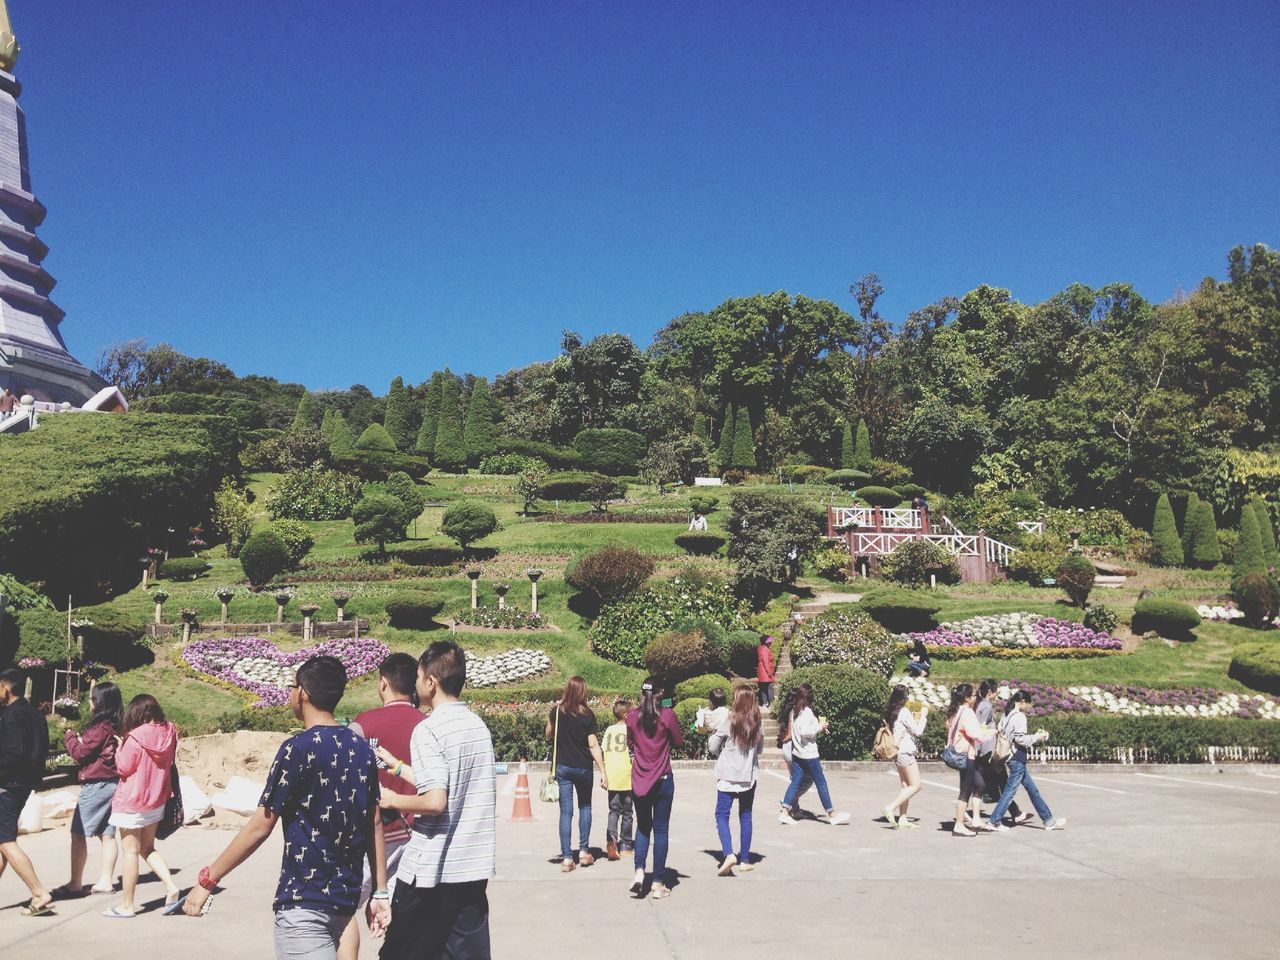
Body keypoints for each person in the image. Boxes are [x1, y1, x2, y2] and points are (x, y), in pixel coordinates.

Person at [183, 656, 389, 959]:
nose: (290, 694)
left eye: (291, 687)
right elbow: (374, 822)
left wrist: (208, 879)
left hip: (303, 904)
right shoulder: (362, 749)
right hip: (345, 904)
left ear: (303, 693)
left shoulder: (298, 749)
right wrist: (380, 892)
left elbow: (259, 826)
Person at [378, 641, 497, 960]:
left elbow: (435, 800)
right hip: (471, 869)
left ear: (430, 683)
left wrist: (391, 800)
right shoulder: (477, 726)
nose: (416, 685)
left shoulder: (428, 729)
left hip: (431, 871)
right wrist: (398, 767)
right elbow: (447, 785)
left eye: (418, 677)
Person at [339, 654, 425, 960]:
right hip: (418, 837)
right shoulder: (428, 726)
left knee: (343, 909)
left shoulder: (362, 725)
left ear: (383, 683)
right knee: (409, 918)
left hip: (374, 837)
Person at [105, 693, 180, 916]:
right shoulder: (170, 731)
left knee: (131, 851)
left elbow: (124, 768)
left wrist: (120, 748)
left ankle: (127, 905)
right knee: (148, 848)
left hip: (132, 802)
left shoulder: (135, 737)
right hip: (156, 800)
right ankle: (171, 886)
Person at [56, 682, 123, 898]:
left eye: (92, 698)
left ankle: (75, 883)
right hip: (113, 782)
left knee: (78, 833)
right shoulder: (116, 725)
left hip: (97, 784)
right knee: (108, 835)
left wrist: (70, 736)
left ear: (100, 702)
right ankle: (106, 881)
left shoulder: (101, 727)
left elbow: (81, 753)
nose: (89, 701)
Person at [0, 668, 52, 916]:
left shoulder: (11, 715)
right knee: (2, 840)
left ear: (4, 687)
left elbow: (13, 752)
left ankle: (39, 892)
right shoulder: (35, 713)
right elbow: (41, 747)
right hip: (24, 784)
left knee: (6, 841)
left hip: (8, 785)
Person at [626, 677, 684, 899]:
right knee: (661, 830)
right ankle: (658, 882)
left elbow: (630, 742)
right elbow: (679, 742)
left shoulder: (632, 715)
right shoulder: (667, 715)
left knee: (642, 827)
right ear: (661, 693)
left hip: (640, 779)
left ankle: (639, 871)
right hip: (662, 778)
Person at [544, 676, 606, 872]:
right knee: (585, 807)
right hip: (583, 768)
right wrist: (603, 770)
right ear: (583, 692)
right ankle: (584, 852)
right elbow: (593, 744)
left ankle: (567, 859)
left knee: (566, 812)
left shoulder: (557, 712)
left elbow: (548, 733)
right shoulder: (588, 715)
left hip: (563, 767)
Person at [986, 691, 1066, 833]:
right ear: (1022, 701)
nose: (1028, 706)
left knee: (1032, 790)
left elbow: (1001, 732)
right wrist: (1037, 737)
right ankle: (994, 821)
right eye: (1027, 703)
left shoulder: (1006, 715)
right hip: (1017, 757)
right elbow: (1020, 738)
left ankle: (1048, 820)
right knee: (1010, 792)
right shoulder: (1020, 717)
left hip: (1010, 757)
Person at [777, 683, 850, 826]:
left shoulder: (795, 711)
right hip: (809, 755)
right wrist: (819, 727)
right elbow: (806, 732)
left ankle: (785, 811)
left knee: (796, 782)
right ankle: (831, 814)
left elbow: (801, 729)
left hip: (797, 753)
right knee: (821, 783)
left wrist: (818, 727)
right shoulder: (807, 711)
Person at [707, 687, 763, 875]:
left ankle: (729, 853)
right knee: (745, 815)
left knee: (722, 814)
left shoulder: (730, 720)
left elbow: (714, 745)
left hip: (728, 774)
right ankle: (745, 860)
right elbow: (760, 748)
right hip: (748, 776)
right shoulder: (757, 721)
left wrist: (718, 750)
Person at [975, 679, 1028, 825]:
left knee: (999, 781)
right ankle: (1008, 814)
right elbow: (980, 727)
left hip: (984, 750)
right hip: (988, 750)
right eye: (995, 691)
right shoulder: (985, 706)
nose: (997, 694)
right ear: (989, 692)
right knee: (1002, 781)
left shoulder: (980, 704)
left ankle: (1015, 812)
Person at [945, 683, 991, 837]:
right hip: (966, 754)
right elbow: (975, 733)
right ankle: (959, 825)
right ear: (966, 698)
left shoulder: (955, 711)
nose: (974, 698)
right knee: (966, 790)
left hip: (958, 752)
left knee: (979, 784)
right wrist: (990, 733)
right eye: (972, 695)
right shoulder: (968, 713)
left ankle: (967, 818)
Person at [881, 684, 927, 829]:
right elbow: (918, 731)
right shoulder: (904, 711)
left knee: (905, 785)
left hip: (896, 752)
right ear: (904, 698)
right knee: (916, 785)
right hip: (905, 751)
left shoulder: (891, 711)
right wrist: (923, 716)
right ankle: (890, 807)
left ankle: (903, 818)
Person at [601, 700, 633, 862]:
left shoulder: (609, 730)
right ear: (626, 714)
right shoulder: (630, 730)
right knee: (627, 812)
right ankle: (626, 844)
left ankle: (611, 839)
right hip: (627, 776)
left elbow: (603, 751)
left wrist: (604, 773)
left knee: (614, 810)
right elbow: (634, 753)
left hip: (612, 776)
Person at [775, 686, 813, 818]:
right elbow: (790, 734)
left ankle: (795, 810)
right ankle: (788, 800)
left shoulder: (785, 711)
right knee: (807, 780)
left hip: (786, 749)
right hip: (793, 748)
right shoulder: (795, 712)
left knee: (795, 779)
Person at [756, 636, 777, 709]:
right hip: (766, 672)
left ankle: (765, 703)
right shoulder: (765, 650)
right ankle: (770, 703)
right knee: (769, 687)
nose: (770, 643)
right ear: (766, 642)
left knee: (763, 688)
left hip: (763, 672)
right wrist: (770, 673)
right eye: (769, 642)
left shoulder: (761, 649)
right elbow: (765, 662)